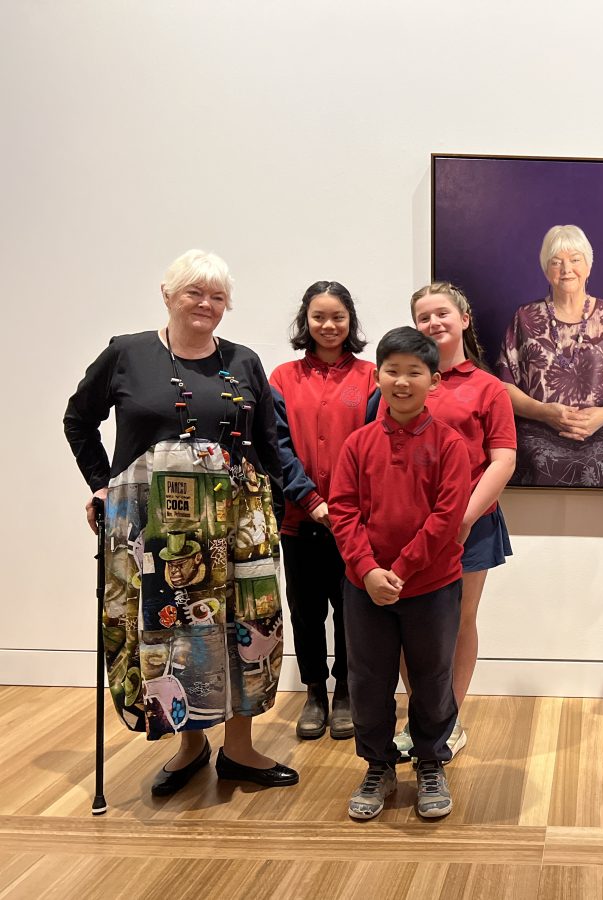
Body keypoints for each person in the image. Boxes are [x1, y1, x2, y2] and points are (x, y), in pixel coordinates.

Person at [64, 249, 298, 795]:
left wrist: (275, 511)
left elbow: (268, 442)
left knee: (246, 628)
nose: (206, 304)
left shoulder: (243, 361)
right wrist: (104, 485)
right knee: (169, 631)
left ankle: (238, 749)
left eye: (218, 297)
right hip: (154, 529)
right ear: (167, 295)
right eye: (195, 292)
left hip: (239, 526)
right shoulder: (127, 353)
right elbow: (79, 420)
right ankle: (188, 742)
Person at [328, 327, 471, 821]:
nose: (402, 381)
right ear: (378, 376)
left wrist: (402, 571)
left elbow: (447, 516)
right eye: (393, 371)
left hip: (431, 585)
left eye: (415, 372)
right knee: (368, 679)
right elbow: (343, 512)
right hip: (363, 588)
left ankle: (431, 762)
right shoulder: (358, 444)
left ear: (435, 381)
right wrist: (368, 571)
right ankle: (378, 765)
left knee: (432, 678)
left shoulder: (451, 445)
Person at [390, 283, 517, 759]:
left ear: (464, 318)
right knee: (406, 624)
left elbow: (502, 459)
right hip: (406, 527)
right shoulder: (404, 383)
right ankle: (422, 717)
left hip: (472, 524)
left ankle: (448, 722)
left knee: (459, 623)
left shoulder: (488, 388)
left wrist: (460, 519)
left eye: (441, 314)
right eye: (423, 317)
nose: (433, 323)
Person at [269, 281, 375, 741]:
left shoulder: (372, 376)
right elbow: (276, 447)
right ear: (305, 321)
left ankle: (346, 693)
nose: (329, 326)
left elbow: (374, 445)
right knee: (305, 611)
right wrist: (311, 501)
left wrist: (344, 508)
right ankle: (314, 692)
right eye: (319, 317)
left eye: (338, 317)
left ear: (350, 320)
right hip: (299, 521)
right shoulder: (282, 378)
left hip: (354, 524)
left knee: (352, 612)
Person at [497, 224, 603, 487]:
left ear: (589, 266)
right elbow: (503, 387)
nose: (566, 269)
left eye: (575, 260)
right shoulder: (525, 318)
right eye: (556, 262)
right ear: (546, 270)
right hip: (539, 431)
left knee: (602, 461)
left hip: (602, 430)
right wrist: (545, 412)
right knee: (541, 461)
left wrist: (602, 415)